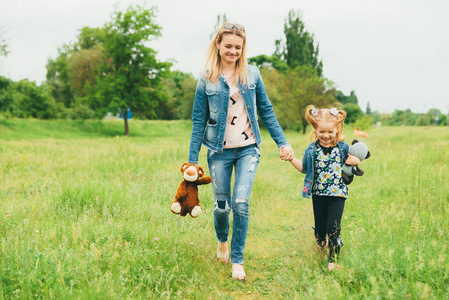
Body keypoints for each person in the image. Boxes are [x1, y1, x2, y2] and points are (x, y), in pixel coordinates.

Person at [188, 23, 293, 281]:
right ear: (218, 45)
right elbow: (198, 120)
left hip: (248, 149)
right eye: (228, 46)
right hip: (218, 152)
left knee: (241, 203)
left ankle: (237, 260)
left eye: (238, 47)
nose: (233, 51)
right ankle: (222, 240)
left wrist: (283, 142)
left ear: (242, 48)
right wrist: (191, 160)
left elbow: (266, 111)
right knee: (222, 206)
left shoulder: (252, 74)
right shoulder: (207, 77)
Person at [288, 105, 360, 271]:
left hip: (338, 194)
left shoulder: (343, 148)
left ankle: (333, 261)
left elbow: (355, 160)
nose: (326, 136)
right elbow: (304, 168)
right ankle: (321, 243)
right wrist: (292, 159)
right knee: (320, 229)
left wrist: (356, 161)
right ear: (315, 130)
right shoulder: (311, 149)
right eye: (322, 132)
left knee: (334, 227)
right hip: (318, 194)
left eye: (330, 132)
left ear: (337, 129)